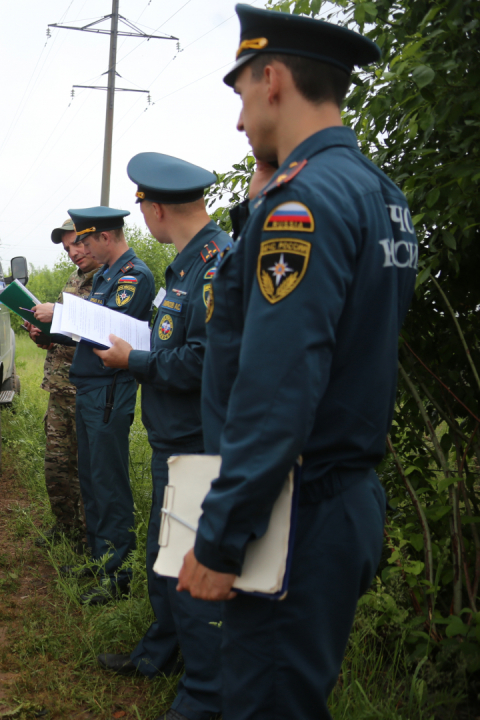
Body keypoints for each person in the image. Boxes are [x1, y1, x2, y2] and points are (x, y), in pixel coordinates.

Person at [175, 6, 417, 719]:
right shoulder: (379, 194)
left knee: (269, 698)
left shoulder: (300, 206)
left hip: (296, 510)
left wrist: (220, 539)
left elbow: (279, 386)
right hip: (344, 498)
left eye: (242, 94)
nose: (240, 121)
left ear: (273, 79)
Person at [94, 153, 231, 720]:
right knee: (163, 555)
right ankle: (161, 653)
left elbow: (210, 361)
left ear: (154, 209)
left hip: (199, 441)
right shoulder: (184, 265)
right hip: (172, 438)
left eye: (141, 205)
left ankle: (203, 691)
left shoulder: (217, 265)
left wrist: (137, 362)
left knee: (186, 561)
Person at [33, 206, 156, 605]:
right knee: (90, 478)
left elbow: (110, 328)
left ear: (106, 237)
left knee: (108, 484)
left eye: (85, 240)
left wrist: (64, 313)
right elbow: (86, 335)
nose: (79, 248)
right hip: (87, 386)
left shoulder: (133, 276)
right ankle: (100, 557)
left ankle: (118, 574)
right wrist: (52, 329)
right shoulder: (103, 276)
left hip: (108, 390)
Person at [29, 218, 100, 546]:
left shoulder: (108, 279)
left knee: (87, 470)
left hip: (87, 390)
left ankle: (90, 538)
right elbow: (70, 334)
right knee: (57, 467)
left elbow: (101, 330)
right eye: (67, 248)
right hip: (59, 387)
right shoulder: (75, 279)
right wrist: (45, 337)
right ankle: (66, 525)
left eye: (77, 244)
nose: (74, 252)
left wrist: (56, 314)